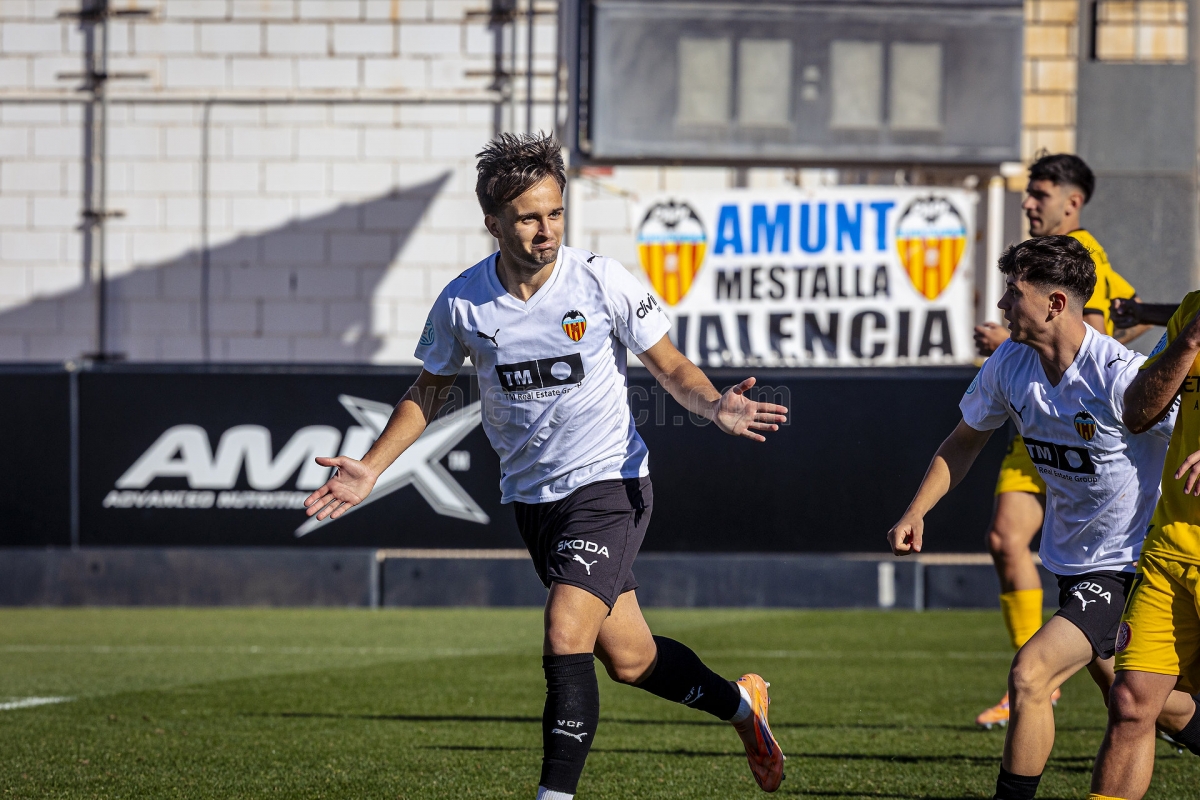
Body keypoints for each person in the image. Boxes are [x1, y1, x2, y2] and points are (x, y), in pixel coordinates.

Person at [302, 133, 788, 798]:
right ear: (493, 223)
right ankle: (742, 706)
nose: (546, 230)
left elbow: (671, 366)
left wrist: (713, 406)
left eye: (555, 213)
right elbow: (429, 390)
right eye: (528, 218)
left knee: (564, 632)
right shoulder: (463, 302)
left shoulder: (600, 280)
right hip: (534, 500)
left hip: (610, 484)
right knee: (631, 659)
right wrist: (371, 467)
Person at [886, 236, 1197, 800]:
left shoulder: (1120, 375)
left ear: (1054, 303)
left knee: (1031, 674)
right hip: (1073, 565)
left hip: (1130, 564)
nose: (1002, 304)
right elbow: (963, 442)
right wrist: (916, 510)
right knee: (1144, 704)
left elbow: (1185, 428)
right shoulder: (1010, 362)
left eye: (1014, 292)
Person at [971, 154, 1153, 729]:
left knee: (1117, 684)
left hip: (1081, 430)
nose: (1028, 203)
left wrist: (1014, 339)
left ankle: (1038, 679)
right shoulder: (1042, 261)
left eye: (1040, 194)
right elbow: (1130, 310)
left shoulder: (1080, 255)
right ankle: (1040, 682)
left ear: (1073, 202)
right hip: (1038, 424)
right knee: (1006, 540)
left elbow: (1092, 331)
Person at [1088, 292, 1200, 800]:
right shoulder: (1191, 308)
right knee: (1131, 702)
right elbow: (1137, 412)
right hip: (1169, 549)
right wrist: (1190, 339)